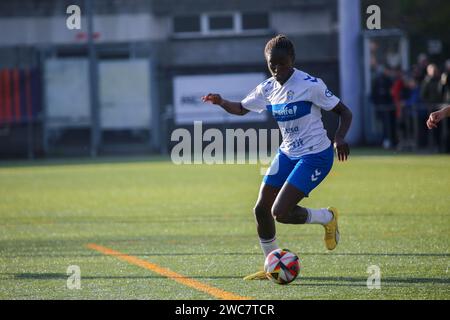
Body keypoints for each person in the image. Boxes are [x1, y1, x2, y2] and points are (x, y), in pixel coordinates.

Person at [201, 35, 353, 280]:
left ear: (292, 60)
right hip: (287, 153)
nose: (277, 69)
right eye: (273, 64)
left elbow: (345, 112)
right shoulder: (268, 87)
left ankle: (327, 217)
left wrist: (340, 137)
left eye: (283, 63)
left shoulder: (310, 85)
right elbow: (241, 108)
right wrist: (221, 102)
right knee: (261, 209)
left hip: (315, 156)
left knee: (280, 212)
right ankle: (270, 264)